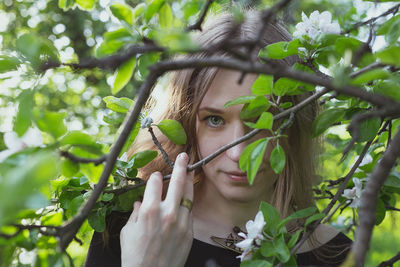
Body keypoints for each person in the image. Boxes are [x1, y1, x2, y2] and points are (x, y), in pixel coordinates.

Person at [85, 9, 352, 267]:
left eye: (262, 120)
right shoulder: (131, 230)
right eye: (215, 120)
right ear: (187, 122)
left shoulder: (338, 255)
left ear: (296, 124)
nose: (238, 153)